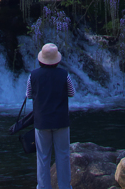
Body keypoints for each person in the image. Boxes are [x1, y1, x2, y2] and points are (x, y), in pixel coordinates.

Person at [26, 42, 75, 189]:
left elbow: (28, 95)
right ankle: (65, 187)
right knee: (63, 156)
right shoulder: (64, 75)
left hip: (42, 122)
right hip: (61, 121)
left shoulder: (33, 75)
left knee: (43, 157)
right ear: (57, 60)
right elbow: (72, 93)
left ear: (41, 60)